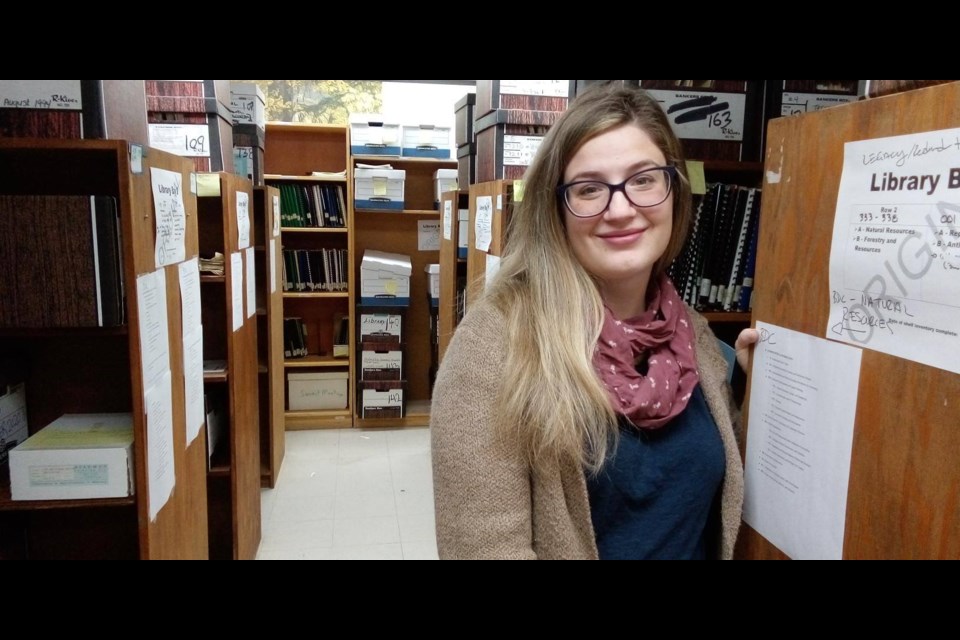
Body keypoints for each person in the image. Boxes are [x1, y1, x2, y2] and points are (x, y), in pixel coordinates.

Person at [430, 84, 761, 560]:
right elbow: (482, 549)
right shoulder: (496, 346)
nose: (621, 209)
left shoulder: (694, 335)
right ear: (555, 208)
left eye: (644, 179)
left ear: (675, 190)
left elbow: (721, 491)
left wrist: (757, 393)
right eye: (589, 189)